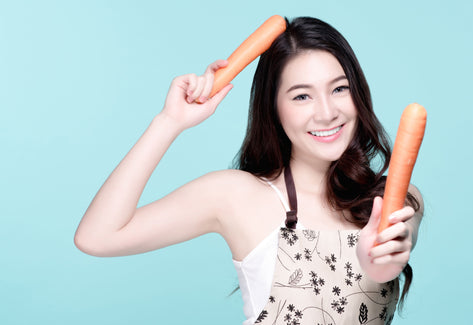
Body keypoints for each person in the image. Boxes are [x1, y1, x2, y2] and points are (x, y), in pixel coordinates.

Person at [74, 16, 424, 325]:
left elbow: (382, 266)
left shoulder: (394, 198)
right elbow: (97, 237)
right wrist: (169, 122)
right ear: (274, 108)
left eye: (339, 88)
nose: (327, 112)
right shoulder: (236, 196)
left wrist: (378, 256)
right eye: (302, 96)